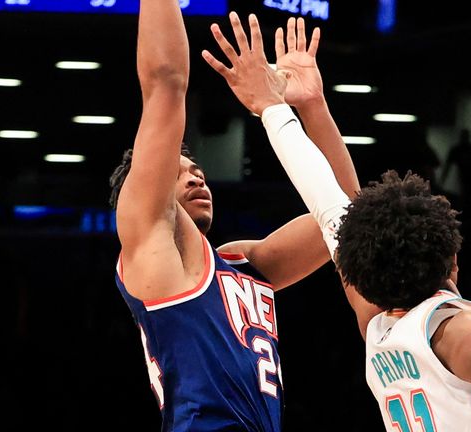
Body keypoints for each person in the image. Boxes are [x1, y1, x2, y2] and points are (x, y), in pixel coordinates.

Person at [244, 59, 471, 432]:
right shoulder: (454, 323)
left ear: (359, 274)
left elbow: (327, 199)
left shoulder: (379, 330)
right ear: (452, 256)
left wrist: (282, 108)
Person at [109, 4, 354, 431]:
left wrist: (311, 106)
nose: (196, 177)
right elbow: (166, 83)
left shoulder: (241, 264)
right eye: (177, 172)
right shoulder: (149, 241)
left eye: (197, 171)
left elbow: (344, 214)